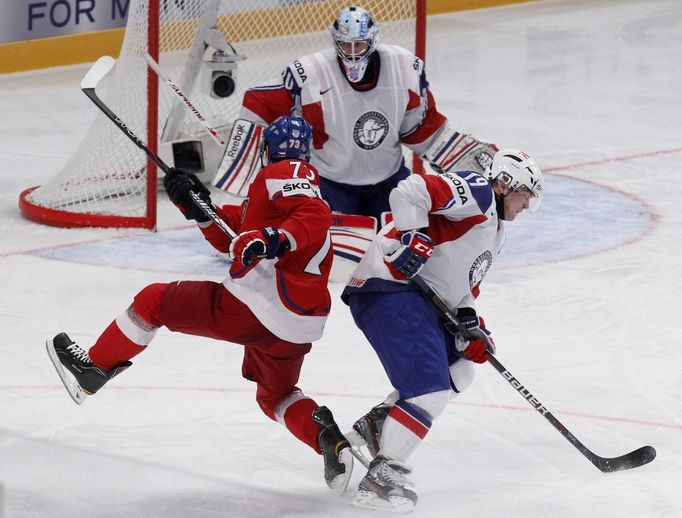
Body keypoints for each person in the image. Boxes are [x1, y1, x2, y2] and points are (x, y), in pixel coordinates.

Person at [46, 116, 354, 495]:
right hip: (297, 326)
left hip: (257, 305)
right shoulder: (281, 196)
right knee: (276, 396)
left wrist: (273, 238)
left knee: (154, 301)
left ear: (268, 151)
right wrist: (194, 203)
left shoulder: (286, 171)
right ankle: (328, 440)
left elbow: (312, 218)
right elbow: (233, 234)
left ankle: (95, 368)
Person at [340, 149, 545, 512]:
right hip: (390, 286)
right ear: (504, 183)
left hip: (418, 300)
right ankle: (381, 479)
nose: (527, 204)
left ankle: (381, 425)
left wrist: (470, 323)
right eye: (524, 193)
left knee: (462, 370)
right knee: (430, 392)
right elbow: (410, 190)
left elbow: (461, 287)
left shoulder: (496, 236)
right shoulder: (479, 191)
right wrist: (413, 237)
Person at [234, 5, 497, 223]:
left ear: (372, 41)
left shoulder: (404, 67)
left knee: (410, 239)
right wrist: (244, 159)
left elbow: (420, 128)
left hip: (389, 182)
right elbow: (259, 102)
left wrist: (462, 153)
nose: (351, 53)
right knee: (326, 251)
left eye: (358, 45)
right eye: (344, 46)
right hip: (330, 185)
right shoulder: (308, 74)